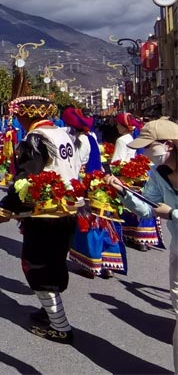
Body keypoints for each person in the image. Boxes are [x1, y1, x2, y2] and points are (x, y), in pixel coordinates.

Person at [0, 96, 78, 344]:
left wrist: (7, 206)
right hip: (67, 210)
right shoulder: (64, 135)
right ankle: (51, 311)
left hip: (46, 214)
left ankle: (60, 326)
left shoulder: (36, 139)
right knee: (54, 263)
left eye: (19, 115)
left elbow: (25, 179)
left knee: (37, 264)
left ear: (26, 116)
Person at [107, 118, 178, 373]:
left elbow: (167, 211)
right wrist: (124, 192)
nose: (145, 152)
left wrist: (173, 213)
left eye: (150, 146)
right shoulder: (157, 173)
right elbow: (148, 208)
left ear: (168, 144)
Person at [65, 107, 126, 279]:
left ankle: (91, 262)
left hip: (86, 183)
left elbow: (75, 164)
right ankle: (108, 263)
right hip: (98, 179)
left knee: (89, 222)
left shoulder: (80, 141)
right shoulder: (91, 136)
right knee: (104, 220)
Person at [114, 112, 164, 252]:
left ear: (123, 126)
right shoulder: (134, 136)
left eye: (118, 124)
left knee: (131, 205)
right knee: (146, 203)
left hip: (128, 175)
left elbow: (116, 162)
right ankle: (145, 239)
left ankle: (134, 235)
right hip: (142, 174)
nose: (116, 126)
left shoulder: (122, 140)